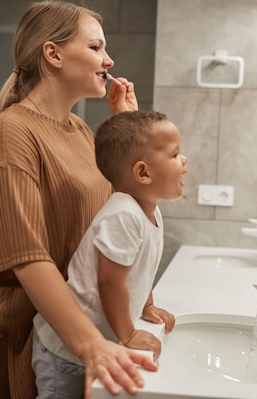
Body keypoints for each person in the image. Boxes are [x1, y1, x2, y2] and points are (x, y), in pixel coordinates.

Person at [0, 0, 158, 399]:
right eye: (95, 48)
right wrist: (91, 345)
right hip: (3, 351)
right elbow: (28, 258)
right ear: (53, 54)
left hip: (56, 340)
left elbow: (119, 217)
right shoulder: (10, 134)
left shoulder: (80, 130)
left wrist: (125, 129)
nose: (108, 60)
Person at [32, 110, 186, 398]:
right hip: (66, 351)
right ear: (143, 173)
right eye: (176, 155)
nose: (185, 162)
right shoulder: (124, 214)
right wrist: (128, 334)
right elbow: (110, 283)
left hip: (96, 341)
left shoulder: (150, 211)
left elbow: (141, 270)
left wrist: (146, 306)